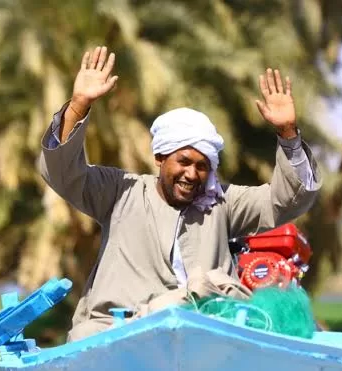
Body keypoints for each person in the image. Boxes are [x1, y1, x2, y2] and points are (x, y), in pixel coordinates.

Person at [39, 46, 323, 341]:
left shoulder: (222, 203)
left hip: (204, 334)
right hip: (119, 332)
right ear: (160, 158)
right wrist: (78, 106)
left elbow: (287, 200)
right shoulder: (121, 191)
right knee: (86, 336)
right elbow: (62, 173)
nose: (191, 174)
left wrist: (288, 133)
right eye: (184, 162)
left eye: (202, 166)